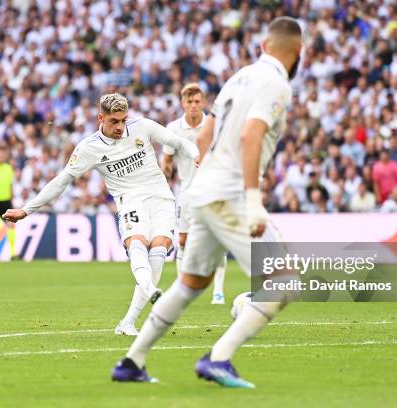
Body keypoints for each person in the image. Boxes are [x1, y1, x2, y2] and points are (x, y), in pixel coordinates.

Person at [112, 16, 302, 388]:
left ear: (264, 46)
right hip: (228, 194)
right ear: (298, 52)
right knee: (285, 281)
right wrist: (252, 200)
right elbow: (251, 137)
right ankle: (218, 358)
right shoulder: (277, 84)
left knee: (190, 283)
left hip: (200, 191)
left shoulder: (239, 77)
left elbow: (205, 138)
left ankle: (132, 361)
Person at [2, 94, 199, 336]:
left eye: (123, 121)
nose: (120, 127)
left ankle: (127, 322)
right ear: (100, 118)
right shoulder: (89, 148)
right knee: (137, 244)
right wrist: (26, 209)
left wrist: (194, 151)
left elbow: (176, 141)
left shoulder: (142, 127)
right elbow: (62, 181)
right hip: (131, 202)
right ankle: (149, 288)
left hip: (162, 200)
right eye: (114, 121)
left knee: (158, 253)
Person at [161, 83, 227, 305]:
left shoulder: (214, 125)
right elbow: (167, 159)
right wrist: (164, 178)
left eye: (197, 101)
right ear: (182, 103)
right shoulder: (173, 129)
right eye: (189, 101)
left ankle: (218, 291)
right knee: (183, 240)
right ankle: (183, 288)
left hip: (213, 189)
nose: (193, 105)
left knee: (217, 240)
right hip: (187, 191)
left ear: (203, 102)